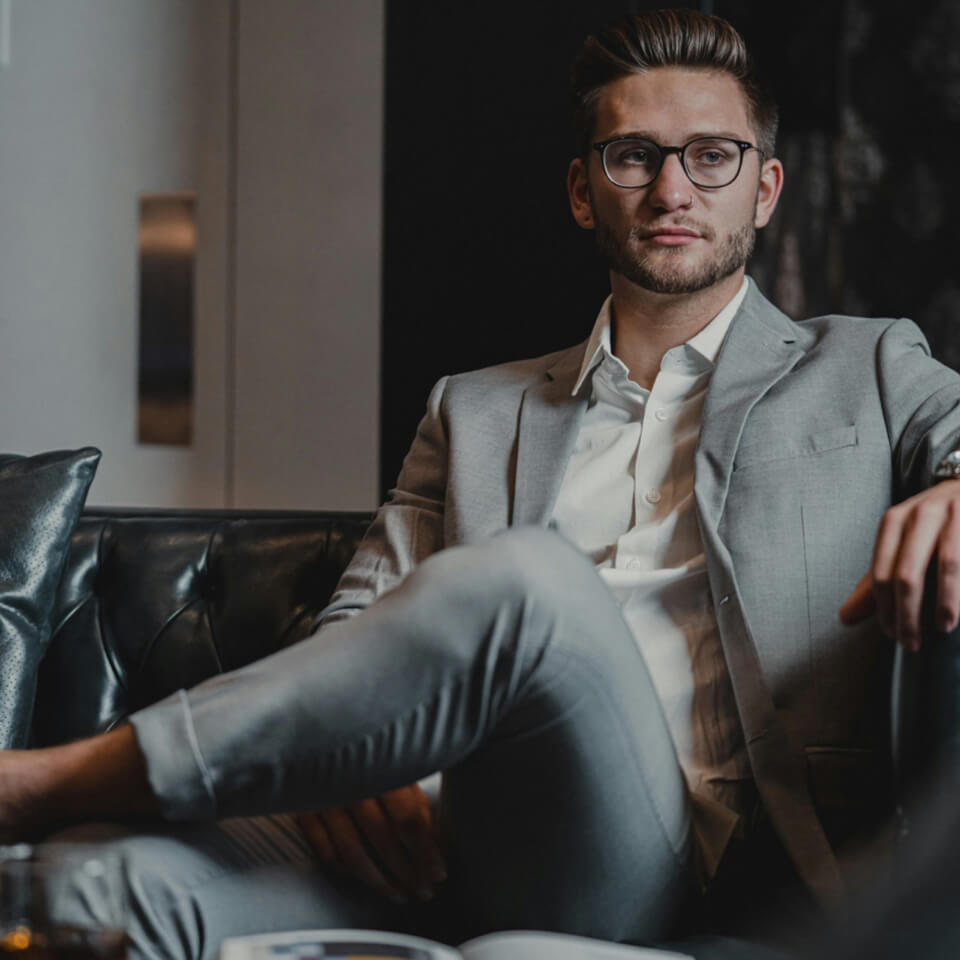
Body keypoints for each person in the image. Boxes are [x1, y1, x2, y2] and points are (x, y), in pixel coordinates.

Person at [5, 8, 960, 959]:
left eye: (713, 156)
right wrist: (348, 763)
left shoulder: (868, 368)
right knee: (96, 879)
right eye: (633, 155)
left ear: (764, 188)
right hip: (446, 850)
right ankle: (79, 816)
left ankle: (45, 782)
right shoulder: (473, 411)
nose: (673, 187)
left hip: (714, 874)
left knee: (526, 581)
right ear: (584, 192)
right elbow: (358, 629)